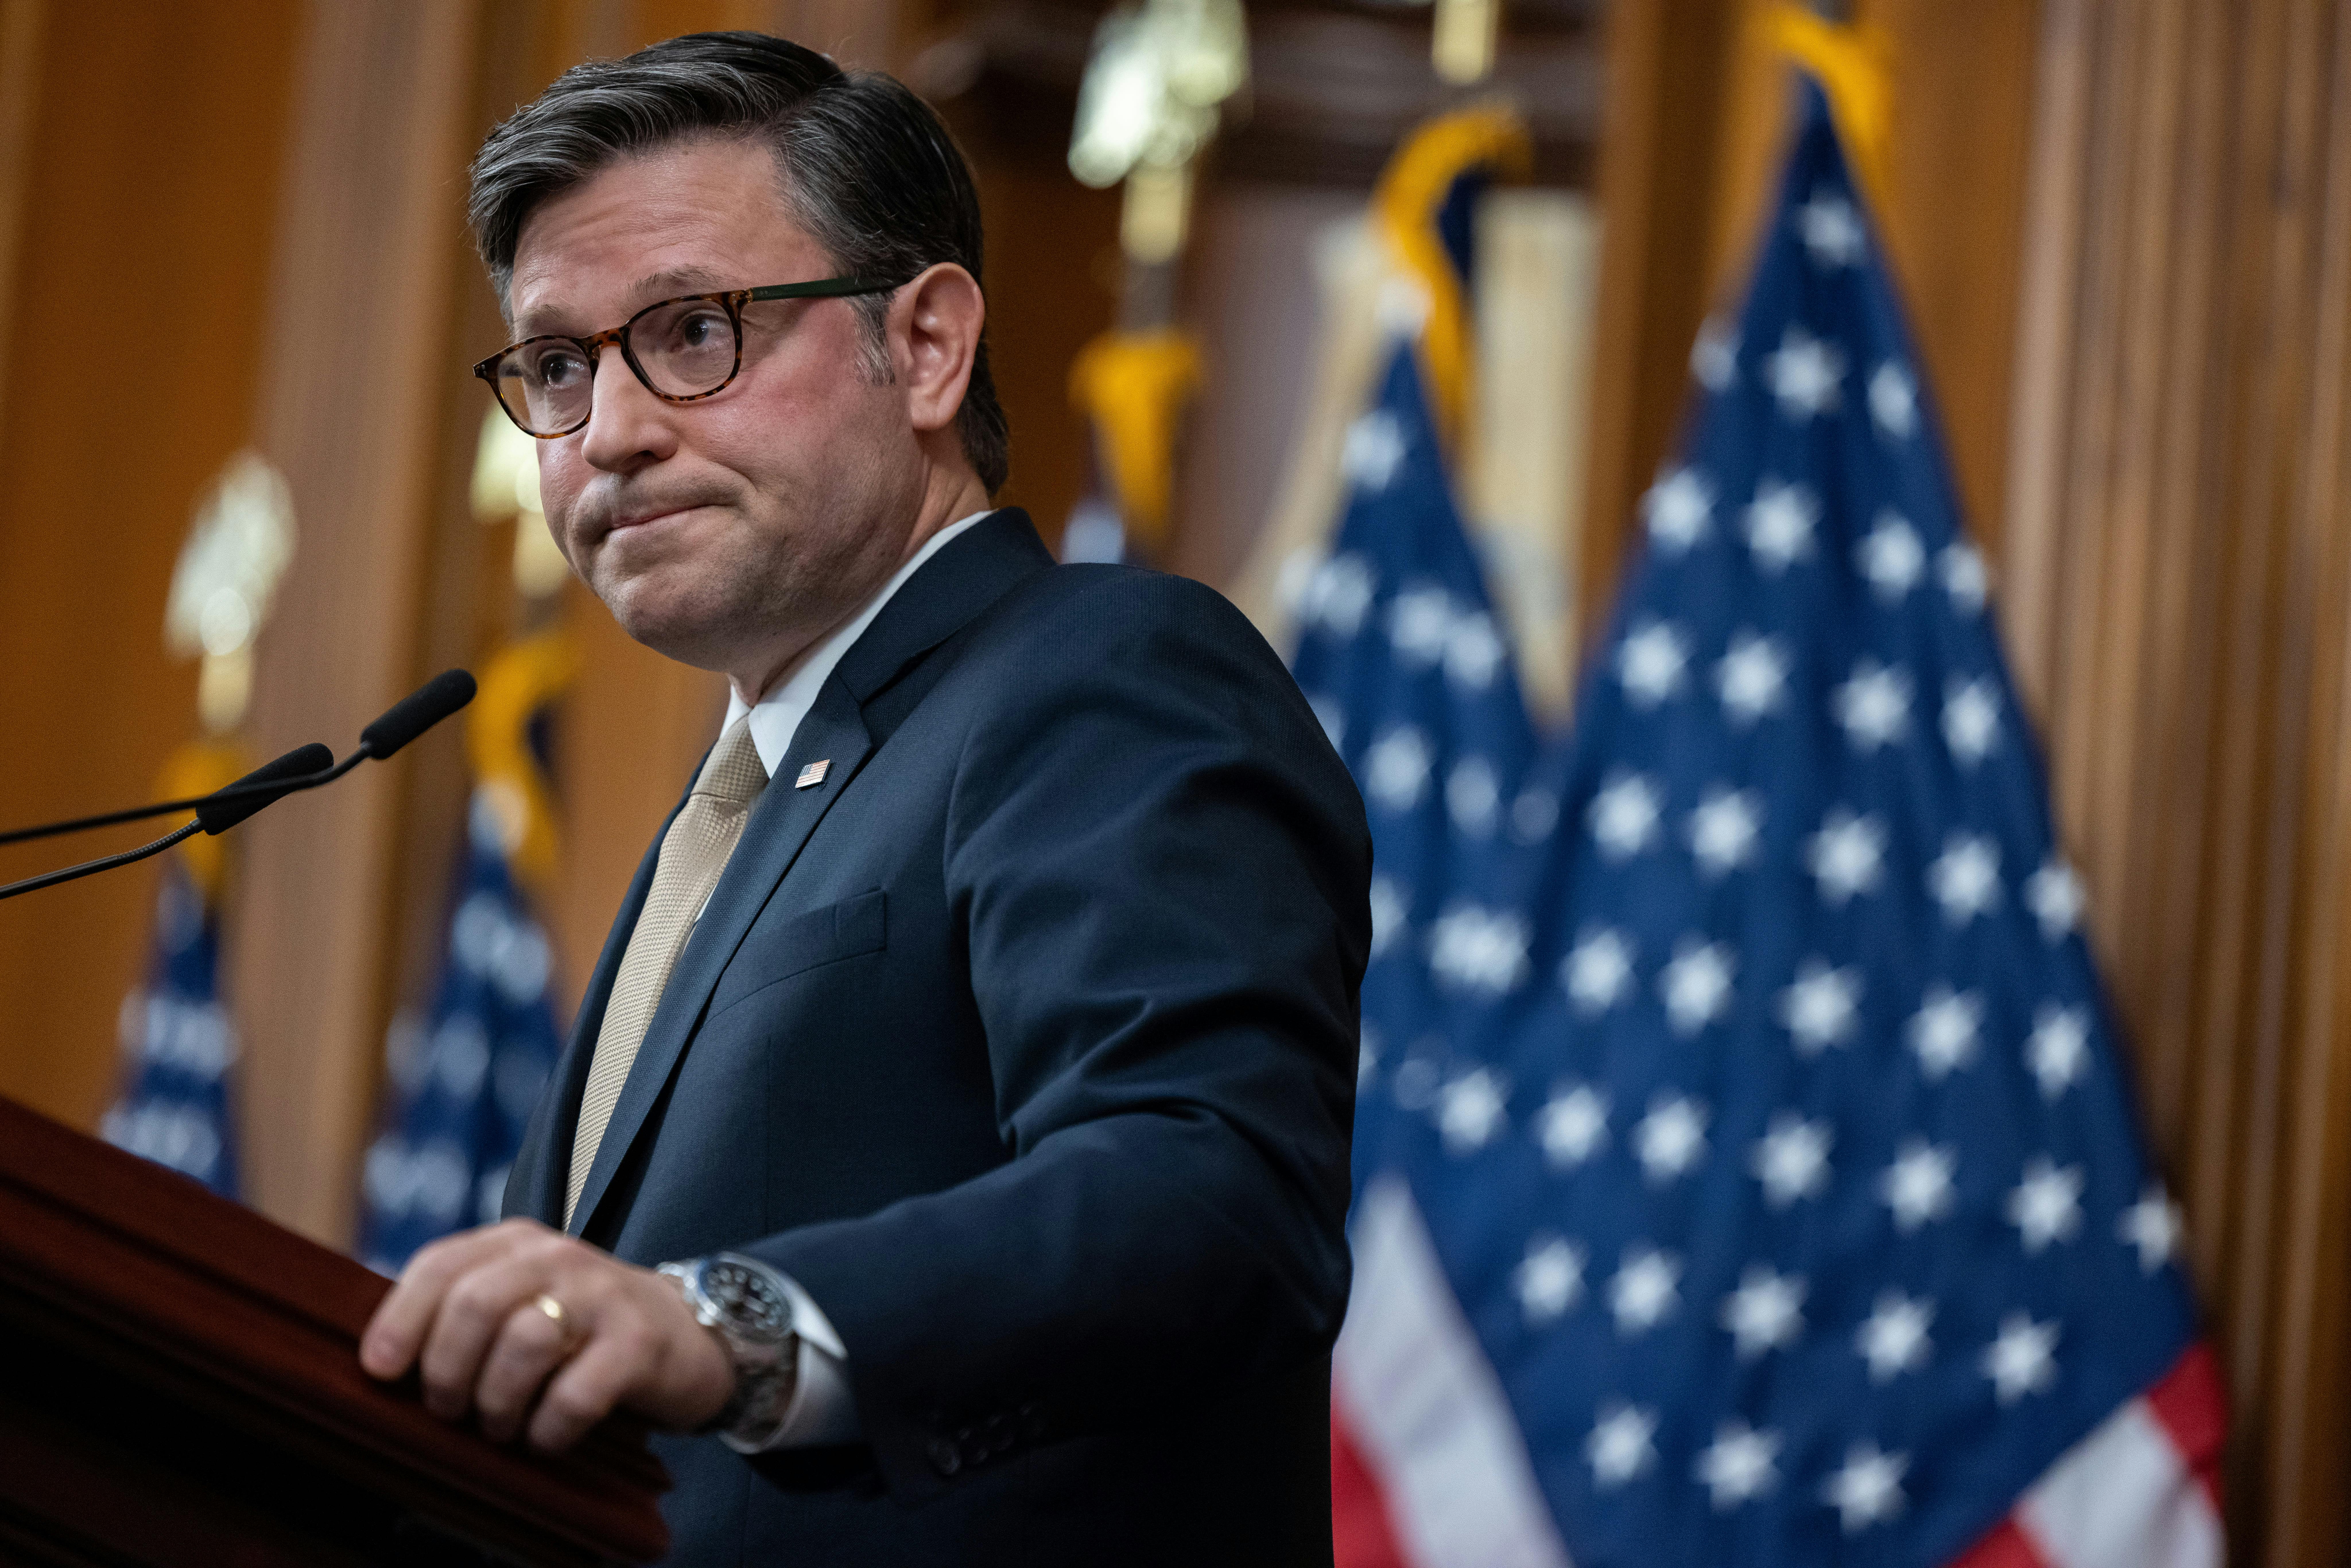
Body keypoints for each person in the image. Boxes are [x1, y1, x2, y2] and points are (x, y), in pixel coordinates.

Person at [356, 30, 1369, 1566]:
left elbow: (1208, 1194)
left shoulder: (1101, 673)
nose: (612, 434)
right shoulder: (752, 801)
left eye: (694, 330)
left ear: (932, 345)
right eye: (559, 366)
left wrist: (733, 1325)